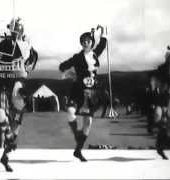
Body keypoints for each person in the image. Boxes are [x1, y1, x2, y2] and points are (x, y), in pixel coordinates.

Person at [0, 17, 38, 172]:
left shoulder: (28, 45)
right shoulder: (5, 43)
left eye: (18, 29)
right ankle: (7, 135)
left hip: (19, 81)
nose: (16, 32)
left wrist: (27, 49)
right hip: (4, 80)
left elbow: (32, 60)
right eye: (14, 29)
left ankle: (5, 156)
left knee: (15, 128)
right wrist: (2, 56)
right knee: (0, 111)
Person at [59, 25, 107, 162]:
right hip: (78, 89)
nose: (86, 43)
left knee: (88, 121)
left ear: (91, 42)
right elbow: (62, 66)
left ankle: (78, 150)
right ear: (81, 43)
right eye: (84, 41)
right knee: (70, 112)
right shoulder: (77, 57)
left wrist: (102, 34)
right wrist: (71, 73)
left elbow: (103, 45)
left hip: (92, 91)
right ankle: (77, 135)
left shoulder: (95, 54)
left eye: (88, 41)